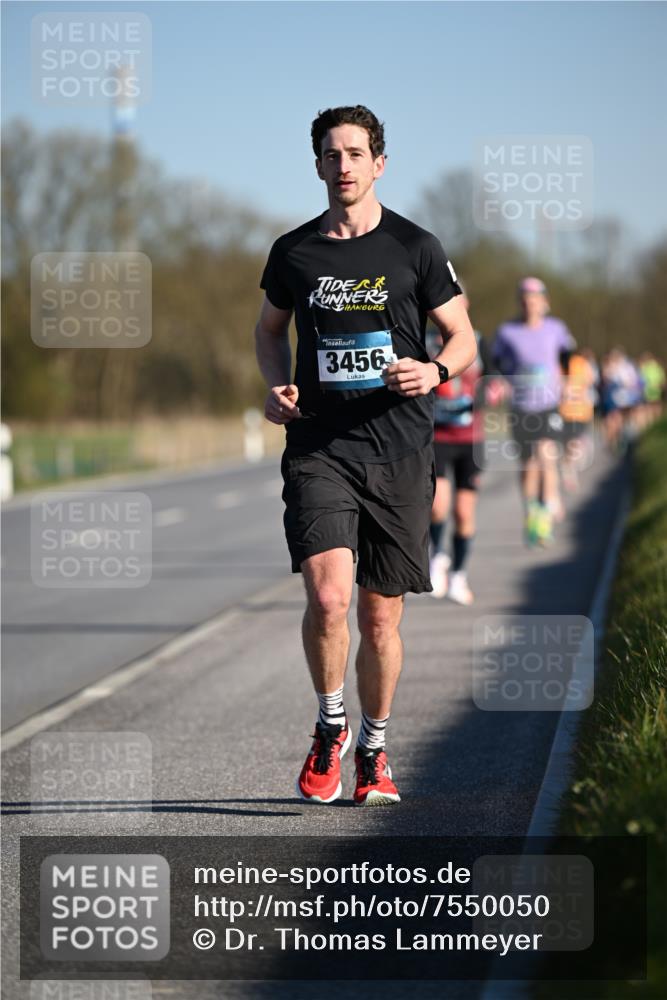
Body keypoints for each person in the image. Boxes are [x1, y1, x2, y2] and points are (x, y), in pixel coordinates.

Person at [254, 105, 476, 806]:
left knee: (379, 619)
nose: (342, 166)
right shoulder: (294, 253)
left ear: (378, 163)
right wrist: (275, 384)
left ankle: (374, 751)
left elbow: (464, 335)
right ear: (317, 165)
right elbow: (268, 331)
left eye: (355, 154)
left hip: (400, 450)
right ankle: (330, 727)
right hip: (320, 445)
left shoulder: (415, 247)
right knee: (327, 599)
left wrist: (436, 372)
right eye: (330, 154)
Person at [492, 277, 576, 547]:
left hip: (549, 403)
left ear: (544, 302)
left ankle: (546, 509)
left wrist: (566, 381)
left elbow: (567, 356)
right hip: (521, 405)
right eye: (526, 300)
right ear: (520, 303)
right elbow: (495, 362)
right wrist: (501, 381)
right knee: (528, 464)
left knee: (547, 455)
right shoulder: (508, 332)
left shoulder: (556, 328)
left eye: (535, 300)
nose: (531, 305)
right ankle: (531, 511)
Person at [428, 288, 492, 604]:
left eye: (459, 300)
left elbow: (494, 381)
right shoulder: (425, 342)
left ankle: (459, 575)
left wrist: (486, 395)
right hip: (437, 437)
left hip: (471, 439)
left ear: (466, 304)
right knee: (438, 505)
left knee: (464, 513)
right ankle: (437, 556)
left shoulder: (479, 342)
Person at [559, 347, 597, 493]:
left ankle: (569, 470)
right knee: (571, 444)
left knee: (572, 444)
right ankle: (569, 469)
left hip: (576, 411)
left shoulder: (578, 364)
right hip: (571, 412)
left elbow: (590, 382)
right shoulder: (579, 364)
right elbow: (591, 382)